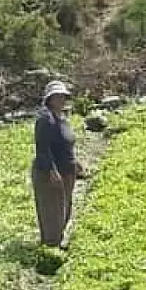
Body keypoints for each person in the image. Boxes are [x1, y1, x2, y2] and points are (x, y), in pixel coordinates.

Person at [32, 80, 83, 249]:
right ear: (50, 99)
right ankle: (51, 244)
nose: (61, 100)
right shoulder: (45, 119)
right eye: (58, 97)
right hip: (52, 173)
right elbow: (43, 148)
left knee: (64, 207)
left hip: (66, 170)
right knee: (52, 209)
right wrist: (51, 171)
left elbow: (65, 144)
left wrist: (75, 163)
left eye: (63, 96)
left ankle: (58, 240)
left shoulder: (61, 118)